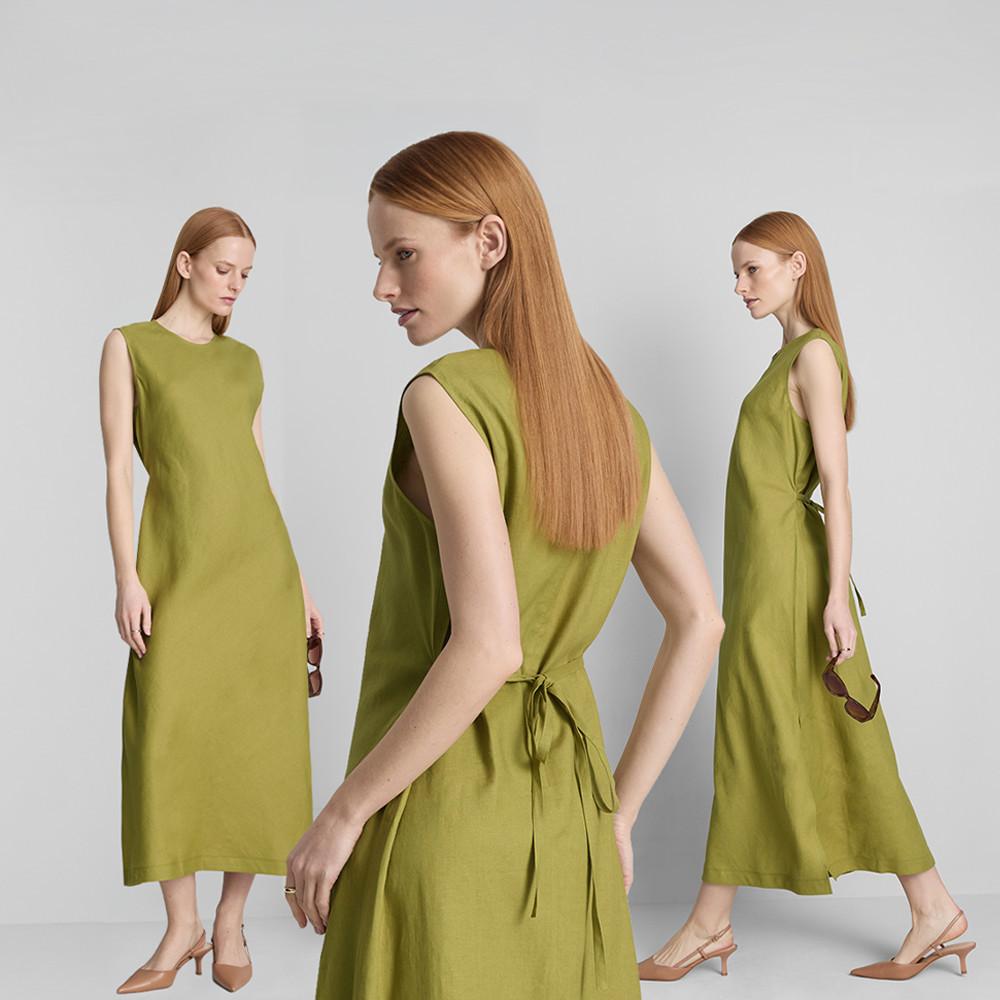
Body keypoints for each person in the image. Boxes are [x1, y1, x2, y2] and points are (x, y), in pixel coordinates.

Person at [281, 131, 724, 1000]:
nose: (383, 285)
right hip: (568, 819)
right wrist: (619, 813)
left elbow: (489, 647)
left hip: (438, 808)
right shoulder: (611, 416)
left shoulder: (444, 398)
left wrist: (342, 813)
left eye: (403, 254)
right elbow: (700, 619)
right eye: (380, 259)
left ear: (489, 241)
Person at [638, 211, 975, 983]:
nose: (739, 286)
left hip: (792, 582)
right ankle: (931, 910)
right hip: (762, 577)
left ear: (797, 265)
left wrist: (832, 599)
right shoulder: (785, 356)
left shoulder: (815, 356)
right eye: (734, 271)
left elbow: (838, 484)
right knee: (777, 733)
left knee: (772, 730)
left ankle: (708, 925)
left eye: (752, 269)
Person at [99, 207, 321, 994]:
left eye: (248, 275)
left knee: (252, 745)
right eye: (226, 268)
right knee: (169, 735)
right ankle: (181, 927)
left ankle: (227, 926)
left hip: (258, 574)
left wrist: (299, 589)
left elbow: (258, 479)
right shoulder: (131, 345)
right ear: (186, 263)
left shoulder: (246, 363)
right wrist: (127, 575)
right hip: (178, 571)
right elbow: (121, 471)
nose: (237, 285)